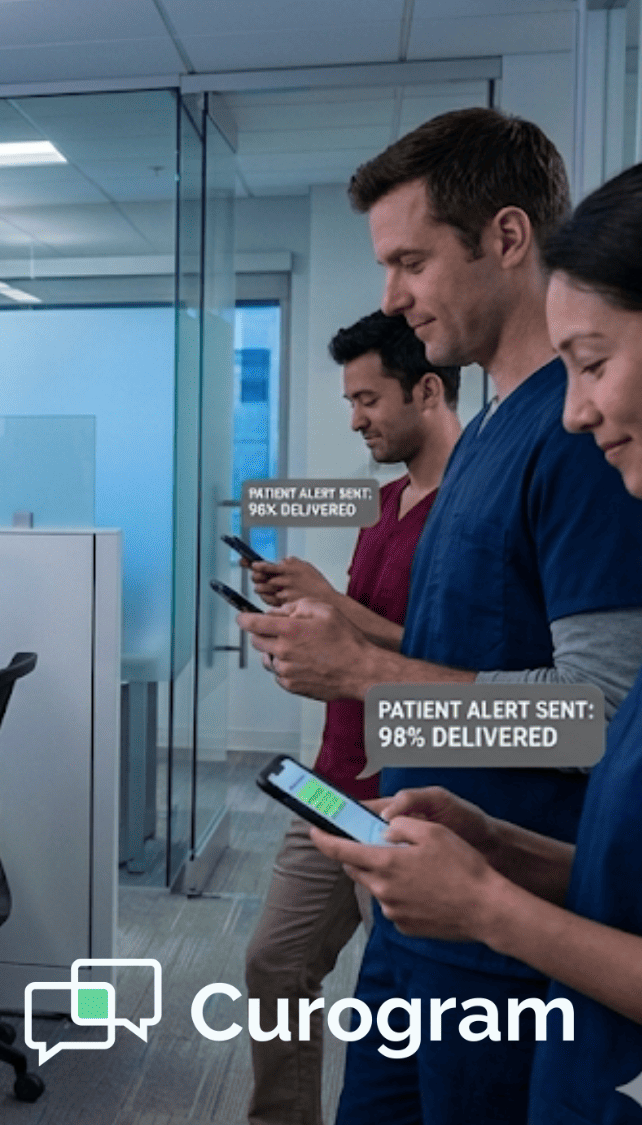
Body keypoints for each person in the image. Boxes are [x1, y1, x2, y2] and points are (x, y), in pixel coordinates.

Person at [240, 108, 642, 1124]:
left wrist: (365, 678)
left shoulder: (578, 444)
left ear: (505, 239)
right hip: (429, 898)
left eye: (409, 261)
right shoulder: (487, 441)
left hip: (499, 955)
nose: (391, 296)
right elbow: (465, 662)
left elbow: (591, 717)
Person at [241, 311, 462, 1125]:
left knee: (402, 1001)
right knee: (274, 962)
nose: (357, 418)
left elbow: (440, 655)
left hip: (401, 797)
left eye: (369, 398)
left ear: (428, 390)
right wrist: (310, 610)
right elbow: (364, 628)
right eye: (350, 400)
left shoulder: (468, 509)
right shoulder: (384, 503)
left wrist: (332, 605)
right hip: (329, 782)